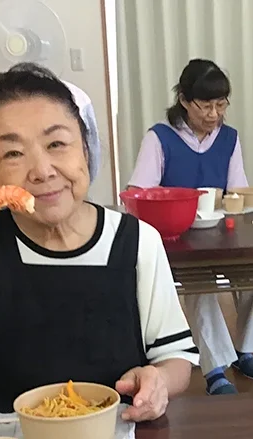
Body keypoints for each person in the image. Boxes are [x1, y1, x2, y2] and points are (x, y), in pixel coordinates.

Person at [0, 63, 198, 422]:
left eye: (57, 144)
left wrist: (158, 381)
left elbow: (175, 358)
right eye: (12, 153)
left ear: (86, 149)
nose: (42, 171)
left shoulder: (137, 240)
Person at [129, 58, 253, 395]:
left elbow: (237, 191)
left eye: (221, 105)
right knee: (201, 285)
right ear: (184, 100)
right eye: (206, 105)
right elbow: (139, 193)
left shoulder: (229, 138)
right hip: (176, 237)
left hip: (220, 232)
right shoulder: (160, 138)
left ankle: (246, 349)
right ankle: (214, 369)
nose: (214, 114)